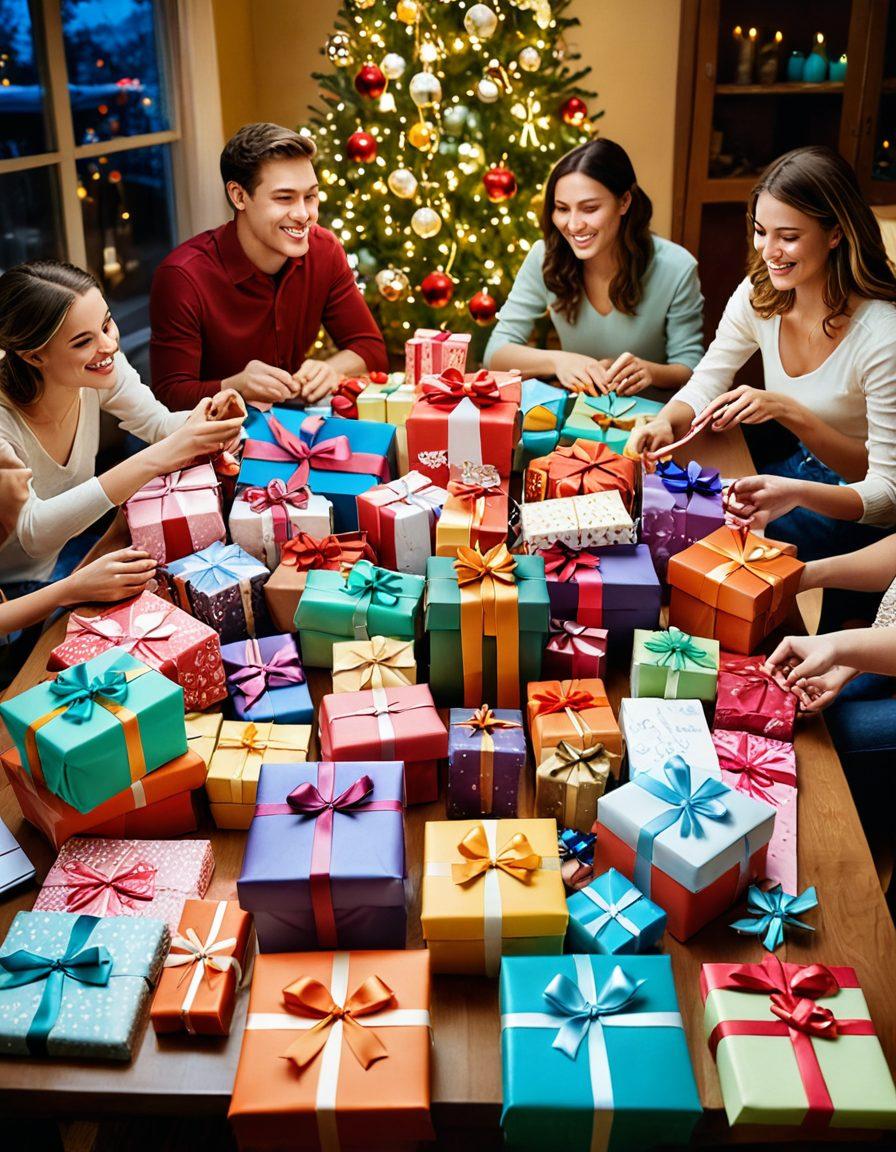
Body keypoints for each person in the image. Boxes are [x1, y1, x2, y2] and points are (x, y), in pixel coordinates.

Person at [629, 146, 896, 627]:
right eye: (759, 231)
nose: (768, 251)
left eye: (788, 237)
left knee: (721, 567)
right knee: (684, 542)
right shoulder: (761, 295)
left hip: (857, 509)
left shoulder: (881, 335)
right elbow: (708, 378)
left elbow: (884, 496)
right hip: (799, 471)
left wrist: (788, 412)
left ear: (836, 233)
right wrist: (666, 420)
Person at [0, 260, 245, 593]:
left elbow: (157, 424)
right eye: (82, 342)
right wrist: (158, 457)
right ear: (34, 356)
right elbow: (33, 534)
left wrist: (210, 419)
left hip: (81, 546)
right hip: (18, 590)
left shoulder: (99, 367)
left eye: (106, 324)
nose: (109, 345)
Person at [150, 122, 389, 411]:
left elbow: (371, 349)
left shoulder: (324, 249)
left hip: (295, 428)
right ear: (239, 196)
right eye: (284, 198)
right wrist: (235, 385)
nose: (304, 215)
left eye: (310, 196)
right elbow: (168, 399)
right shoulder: (182, 276)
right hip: (212, 442)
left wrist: (331, 369)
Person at [484, 138, 704, 394]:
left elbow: (690, 369)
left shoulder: (677, 267)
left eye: (589, 208)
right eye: (562, 208)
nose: (574, 225)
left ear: (624, 202)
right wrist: (559, 361)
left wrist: (650, 371)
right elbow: (495, 353)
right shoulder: (545, 256)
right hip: (577, 421)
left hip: (654, 424)